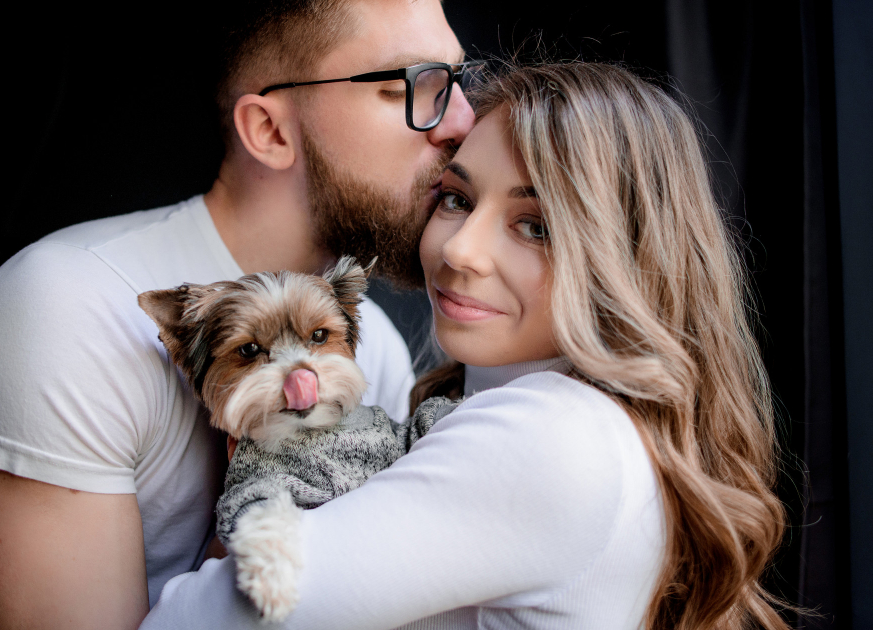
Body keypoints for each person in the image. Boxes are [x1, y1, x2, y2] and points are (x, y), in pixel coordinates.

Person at [139, 62, 789, 630]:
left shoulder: (551, 433)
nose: (458, 248)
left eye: (534, 225)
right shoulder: (579, 423)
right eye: (455, 198)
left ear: (628, 257)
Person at [0, 0, 476, 628]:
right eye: (409, 86)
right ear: (270, 131)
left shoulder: (376, 351)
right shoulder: (64, 312)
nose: (463, 123)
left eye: (454, 82)